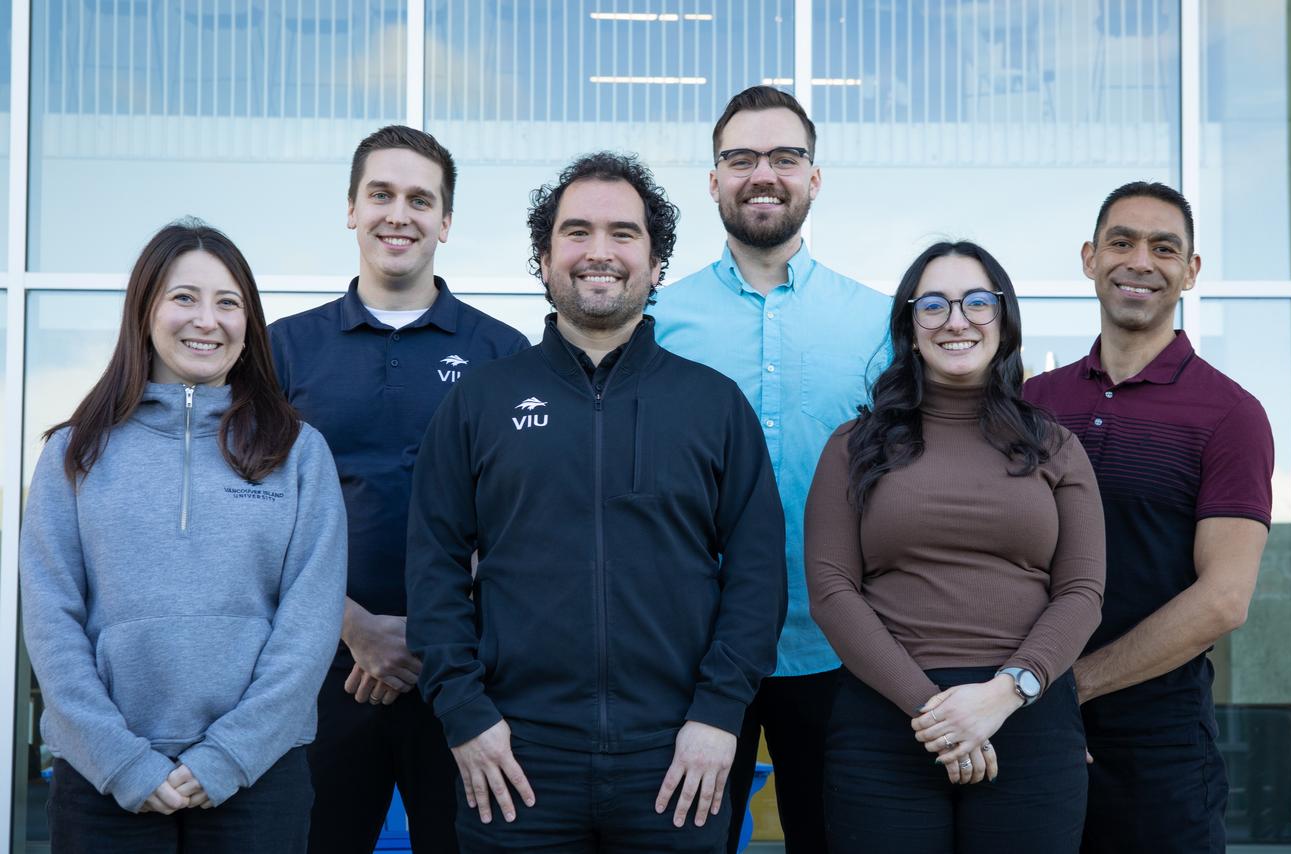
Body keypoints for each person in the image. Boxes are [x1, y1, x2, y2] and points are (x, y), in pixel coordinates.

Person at [405, 151, 787, 853]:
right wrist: (464, 714)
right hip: (514, 757)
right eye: (576, 232)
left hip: (677, 758)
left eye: (623, 233)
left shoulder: (713, 405)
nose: (599, 252)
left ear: (656, 262)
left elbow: (758, 573)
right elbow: (433, 567)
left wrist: (718, 714)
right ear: (544, 259)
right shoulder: (480, 402)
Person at [19, 219, 347, 853]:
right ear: (145, 310)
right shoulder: (74, 452)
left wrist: (229, 754)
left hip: (257, 774)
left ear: (249, 323)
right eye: (184, 298)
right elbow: (51, 618)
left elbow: (309, 622)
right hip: (104, 776)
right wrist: (120, 759)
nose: (207, 320)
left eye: (228, 303)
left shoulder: (297, 452)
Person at [269, 125, 529, 854]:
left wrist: (427, 634)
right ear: (351, 208)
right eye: (381, 194)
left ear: (445, 222)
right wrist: (352, 626)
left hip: (461, 677)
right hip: (320, 676)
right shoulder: (284, 349)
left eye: (421, 199)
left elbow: (519, 522)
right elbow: (258, 516)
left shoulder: (502, 354)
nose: (399, 214)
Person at [805, 241, 1106, 853]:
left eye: (976, 302)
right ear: (911, 329)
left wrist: (1004, 695)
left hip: (1026, 719)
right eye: (933, 305)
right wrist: (938, 714)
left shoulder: (1055, 447)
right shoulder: (854, 445)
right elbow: (832, 591)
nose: (956, 320)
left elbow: (1082, 592)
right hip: (887, 724)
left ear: (1004, 319)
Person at [650, 85, 890, 853]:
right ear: (713, 179)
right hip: (690, 650)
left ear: (814, 177)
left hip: (840, 649)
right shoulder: (656, 320)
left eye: (785, 157)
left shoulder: (878, 323)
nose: (763, 174)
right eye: (742, 158)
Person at [1023, 181, 1273, 854]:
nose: (1140, 261)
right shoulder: (1031, 404)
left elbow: (1223, 600)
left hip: (1159, 750)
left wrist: (1068, 688)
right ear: (1090, 258)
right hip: (1026, 730)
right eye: (1121, 242)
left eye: (1164, 248)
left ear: (1191, 271)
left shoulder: (1230, 413)